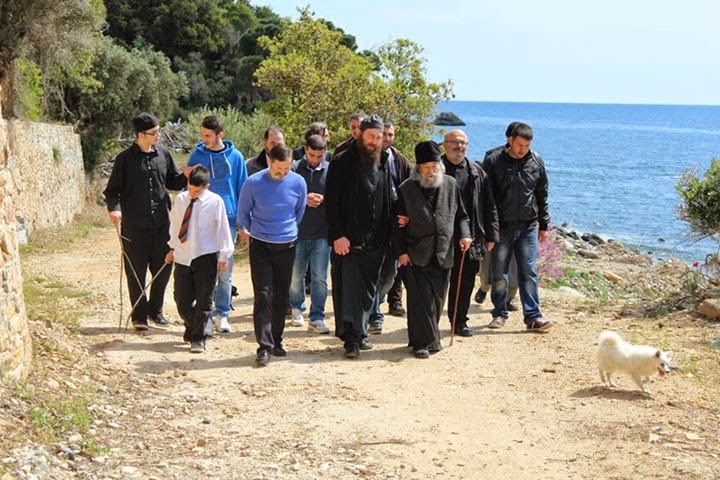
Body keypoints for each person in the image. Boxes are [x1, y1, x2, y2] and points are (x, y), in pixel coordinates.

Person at [104, 112, 186, 331]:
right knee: (136, 271)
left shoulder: (164, 154)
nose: (159, 135)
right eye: (154, 133)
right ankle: (139, 316)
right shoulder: (124, 159)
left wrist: (186, 174)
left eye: (158, 131)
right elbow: (112, 191)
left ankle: (155, 311)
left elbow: (174, 182)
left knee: (164, 267)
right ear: (140, 135)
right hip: (134, 226)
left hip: (161, 224)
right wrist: (114, 209)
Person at [325, 114, 395, 359]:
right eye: (371, 136)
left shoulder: (384, 161)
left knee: (369, 292)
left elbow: (389, 197)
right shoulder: (342, 161)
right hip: (349, 240)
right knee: (351, 290)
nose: (375, 141)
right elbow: (331, 203)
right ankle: (352, 340)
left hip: (377, 240)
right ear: (360, 135)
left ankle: (360, 331)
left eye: (379, 137)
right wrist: (338, 235)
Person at [395, 141, 472, 358]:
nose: (431, 171)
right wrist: (400, 252)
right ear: (418, 168)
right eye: (426, 167)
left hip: (444, 251)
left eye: (435, 165)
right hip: (416, 251)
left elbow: (462, 216)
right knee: (420, 300)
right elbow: (396, 224)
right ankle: (424, 343)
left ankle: (424, 338)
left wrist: (465, 234)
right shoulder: (406, 189)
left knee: (438, 300)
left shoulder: (451, 184)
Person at [237, 144, 307, 365]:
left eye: (287, 169)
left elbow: (299, 211)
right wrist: (246, 229)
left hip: (286, 245)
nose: (283, 173)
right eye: (279, 169)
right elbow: (243, 211)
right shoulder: (253, 183)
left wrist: (286, 230)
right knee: (263, 294)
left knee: (280, 295)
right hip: (261, 245)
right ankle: (264, 346)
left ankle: (277, 340)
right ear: (270, 161)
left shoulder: (298, 182)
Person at [482, 122, 552, 331]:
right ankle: (499, 313)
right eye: (520, 145)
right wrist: (489, 228)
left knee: (528, 271)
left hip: (528, 225)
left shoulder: (536, 161)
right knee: (499, 274)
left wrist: (544, 224)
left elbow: (542, 193)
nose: (523, 150)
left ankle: (533, 317)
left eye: (527, 146)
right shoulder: (493, 160)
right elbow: (487, 197)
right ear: (509, 140)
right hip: (501, 226)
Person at [186, 115, 247, 334]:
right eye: (201, 135)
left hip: (228, 219)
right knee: (202, 269)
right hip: (202, 220)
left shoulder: (237, 157)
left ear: (220, 134)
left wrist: (242, 223)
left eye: (208, 135)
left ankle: (222, 313)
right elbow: (189, 189)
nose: (204, 139)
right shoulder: (196, 155)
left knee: (224, 270)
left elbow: (242, 189)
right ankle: (205, 313)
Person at [165, 166, 234, 353]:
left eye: (197, 190)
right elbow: (175, 225)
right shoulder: (180, 200)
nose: (193, 193)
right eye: (190, 189)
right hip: (183, 256)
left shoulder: (215, 202)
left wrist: (224, 255)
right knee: (181, 299)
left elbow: (222, 230)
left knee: (204, 300)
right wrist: (171, 248)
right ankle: (196, 325)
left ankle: (198, 337)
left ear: (206, 186)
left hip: (206, 255)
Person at [441, 129, 499, 337]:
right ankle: (429, 322)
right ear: (445, 144)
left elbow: (489, 204)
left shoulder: (476, 171)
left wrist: (492, 234)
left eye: (464, 143)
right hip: (440, 237)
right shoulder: (435, 168)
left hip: (471, 236)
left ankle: (459, 321)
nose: (460, 147)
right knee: (439, 283)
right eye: (455, 143)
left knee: (465, 282)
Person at [368, 121, 412, 334]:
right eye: (383, 134)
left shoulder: (401, 159)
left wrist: (408, 215)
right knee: (373, 271)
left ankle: (376, 300)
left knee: (389, 274)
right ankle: (375, 314)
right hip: (372, 226)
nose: (387, 138)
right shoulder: (365, 158)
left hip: (394, 225)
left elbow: (411, 189)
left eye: (390, 134)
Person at [289, 134, 332, 334]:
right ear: (305, 150)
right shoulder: (294, 169)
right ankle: (297, 308)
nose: (315, 159)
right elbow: (285, 195)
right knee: (296, 276)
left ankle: (317, 317)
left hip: (322, 233)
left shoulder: (331, 171)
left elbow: (337, 199)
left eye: (319, 156)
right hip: (298, 232)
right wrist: (303, 199)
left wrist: (325, 199)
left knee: (319, 277)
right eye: (312, 155)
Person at [475, 122, 521, 310]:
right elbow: (484, 187)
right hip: (496, 218)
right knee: (490, 260)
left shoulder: (528, 158)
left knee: (515, 263)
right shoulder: (493, 157)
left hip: (519, 220)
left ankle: (509, 298)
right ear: (509, 138)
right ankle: (484, 287)